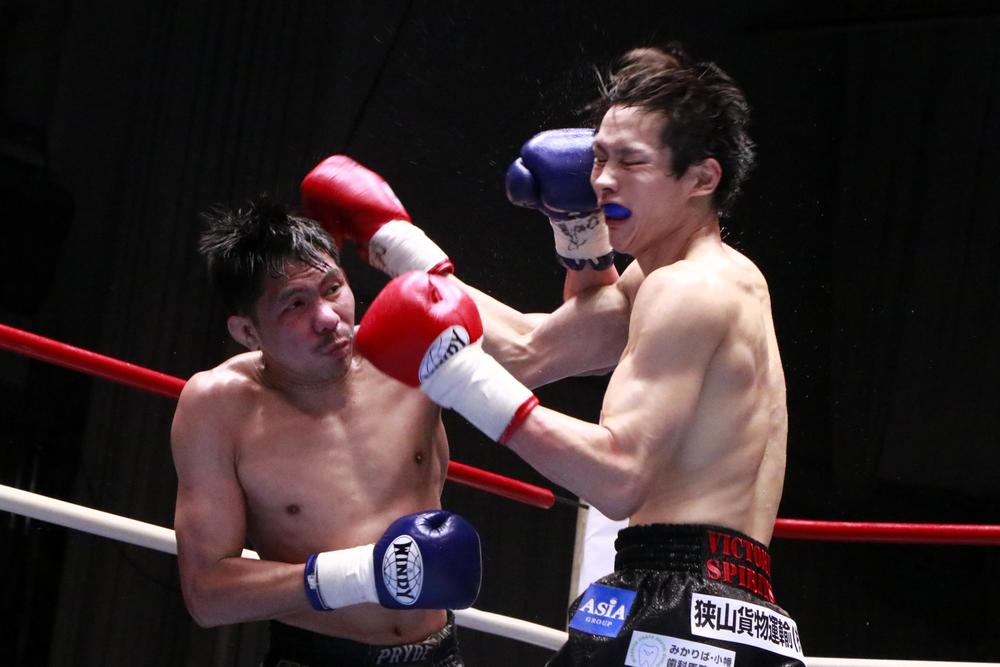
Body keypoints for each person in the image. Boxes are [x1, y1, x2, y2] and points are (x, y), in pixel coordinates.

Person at [302, 43, 803, 666]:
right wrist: (392, 239)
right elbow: (530, 349)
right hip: (728, 608)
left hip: (678, 600)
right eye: (600, 157)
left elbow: (618, 479)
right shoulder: (700, 277)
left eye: (631, 161)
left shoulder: (686, 290)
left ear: (702, 179)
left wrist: (460, 379)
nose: (603, 180)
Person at [170, 199, 480, 667]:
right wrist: (363, 574)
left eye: (333, 288)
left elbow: (550, 349)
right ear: (247, 332)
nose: (329, 318)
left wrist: (577, 236)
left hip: (439, 654)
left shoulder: (406, 352)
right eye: (295, 304)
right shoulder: (218, 407)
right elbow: (207, 596)